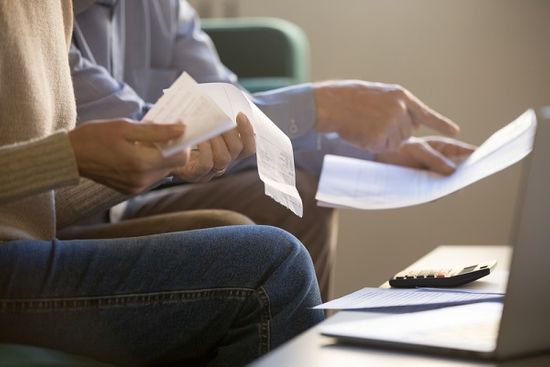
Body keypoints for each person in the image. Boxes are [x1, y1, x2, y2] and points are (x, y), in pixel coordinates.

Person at [68, 0, 476, 300]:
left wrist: (372, 151)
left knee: (298, 195)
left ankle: (297, 352)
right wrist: (325, 106)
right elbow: (143, 139)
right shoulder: (39, 19)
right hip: (62, 220)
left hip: (125, 205)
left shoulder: (164, 8)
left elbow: (237, 117)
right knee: (244, 238)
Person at [0, 2, 324, 366]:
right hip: (16, 260)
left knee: (249, 234)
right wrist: (67, 158)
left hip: (31, 248)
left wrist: (159, 164)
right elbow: (58, 164)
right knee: (273, 266)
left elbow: (35, 205)